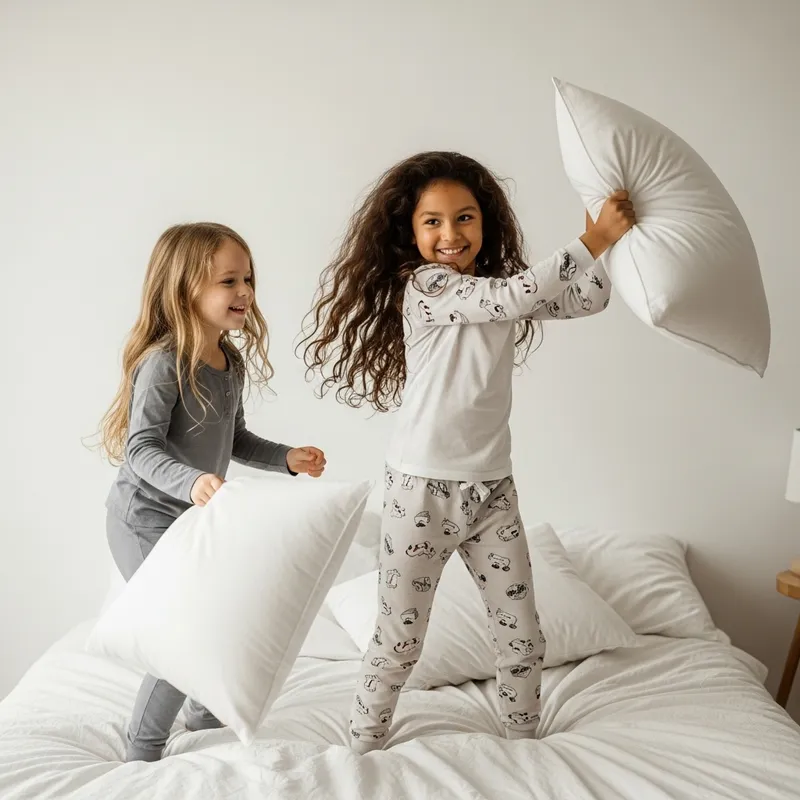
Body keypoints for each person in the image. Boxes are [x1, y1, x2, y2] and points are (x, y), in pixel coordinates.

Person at [300, 151, 635, 753]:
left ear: (485, 223)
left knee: (523, 637)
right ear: (410, 232)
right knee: (400, 640)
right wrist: (593, 238)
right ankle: (361, 749)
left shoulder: (495, 289)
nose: (450, 234)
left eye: (464, 218)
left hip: (492, 491)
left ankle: (524, 744)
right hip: (420, 492)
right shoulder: (427, 287)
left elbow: (587, 300)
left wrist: (603, 245)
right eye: (432, 221)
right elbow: (514, 297)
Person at [99, 222, 326, 762]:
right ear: (184, 290)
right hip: (142, 517)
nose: (245, 291)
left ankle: (203, 719)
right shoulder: (164, 363)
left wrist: (286, 459)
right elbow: (140, 449)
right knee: (181, 630)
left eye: (248, 279)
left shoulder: (230, 363)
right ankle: (142, 749)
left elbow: (236, 438)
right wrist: (192, 480)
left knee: (217, 613)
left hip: (191, 516)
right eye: (228, 281)